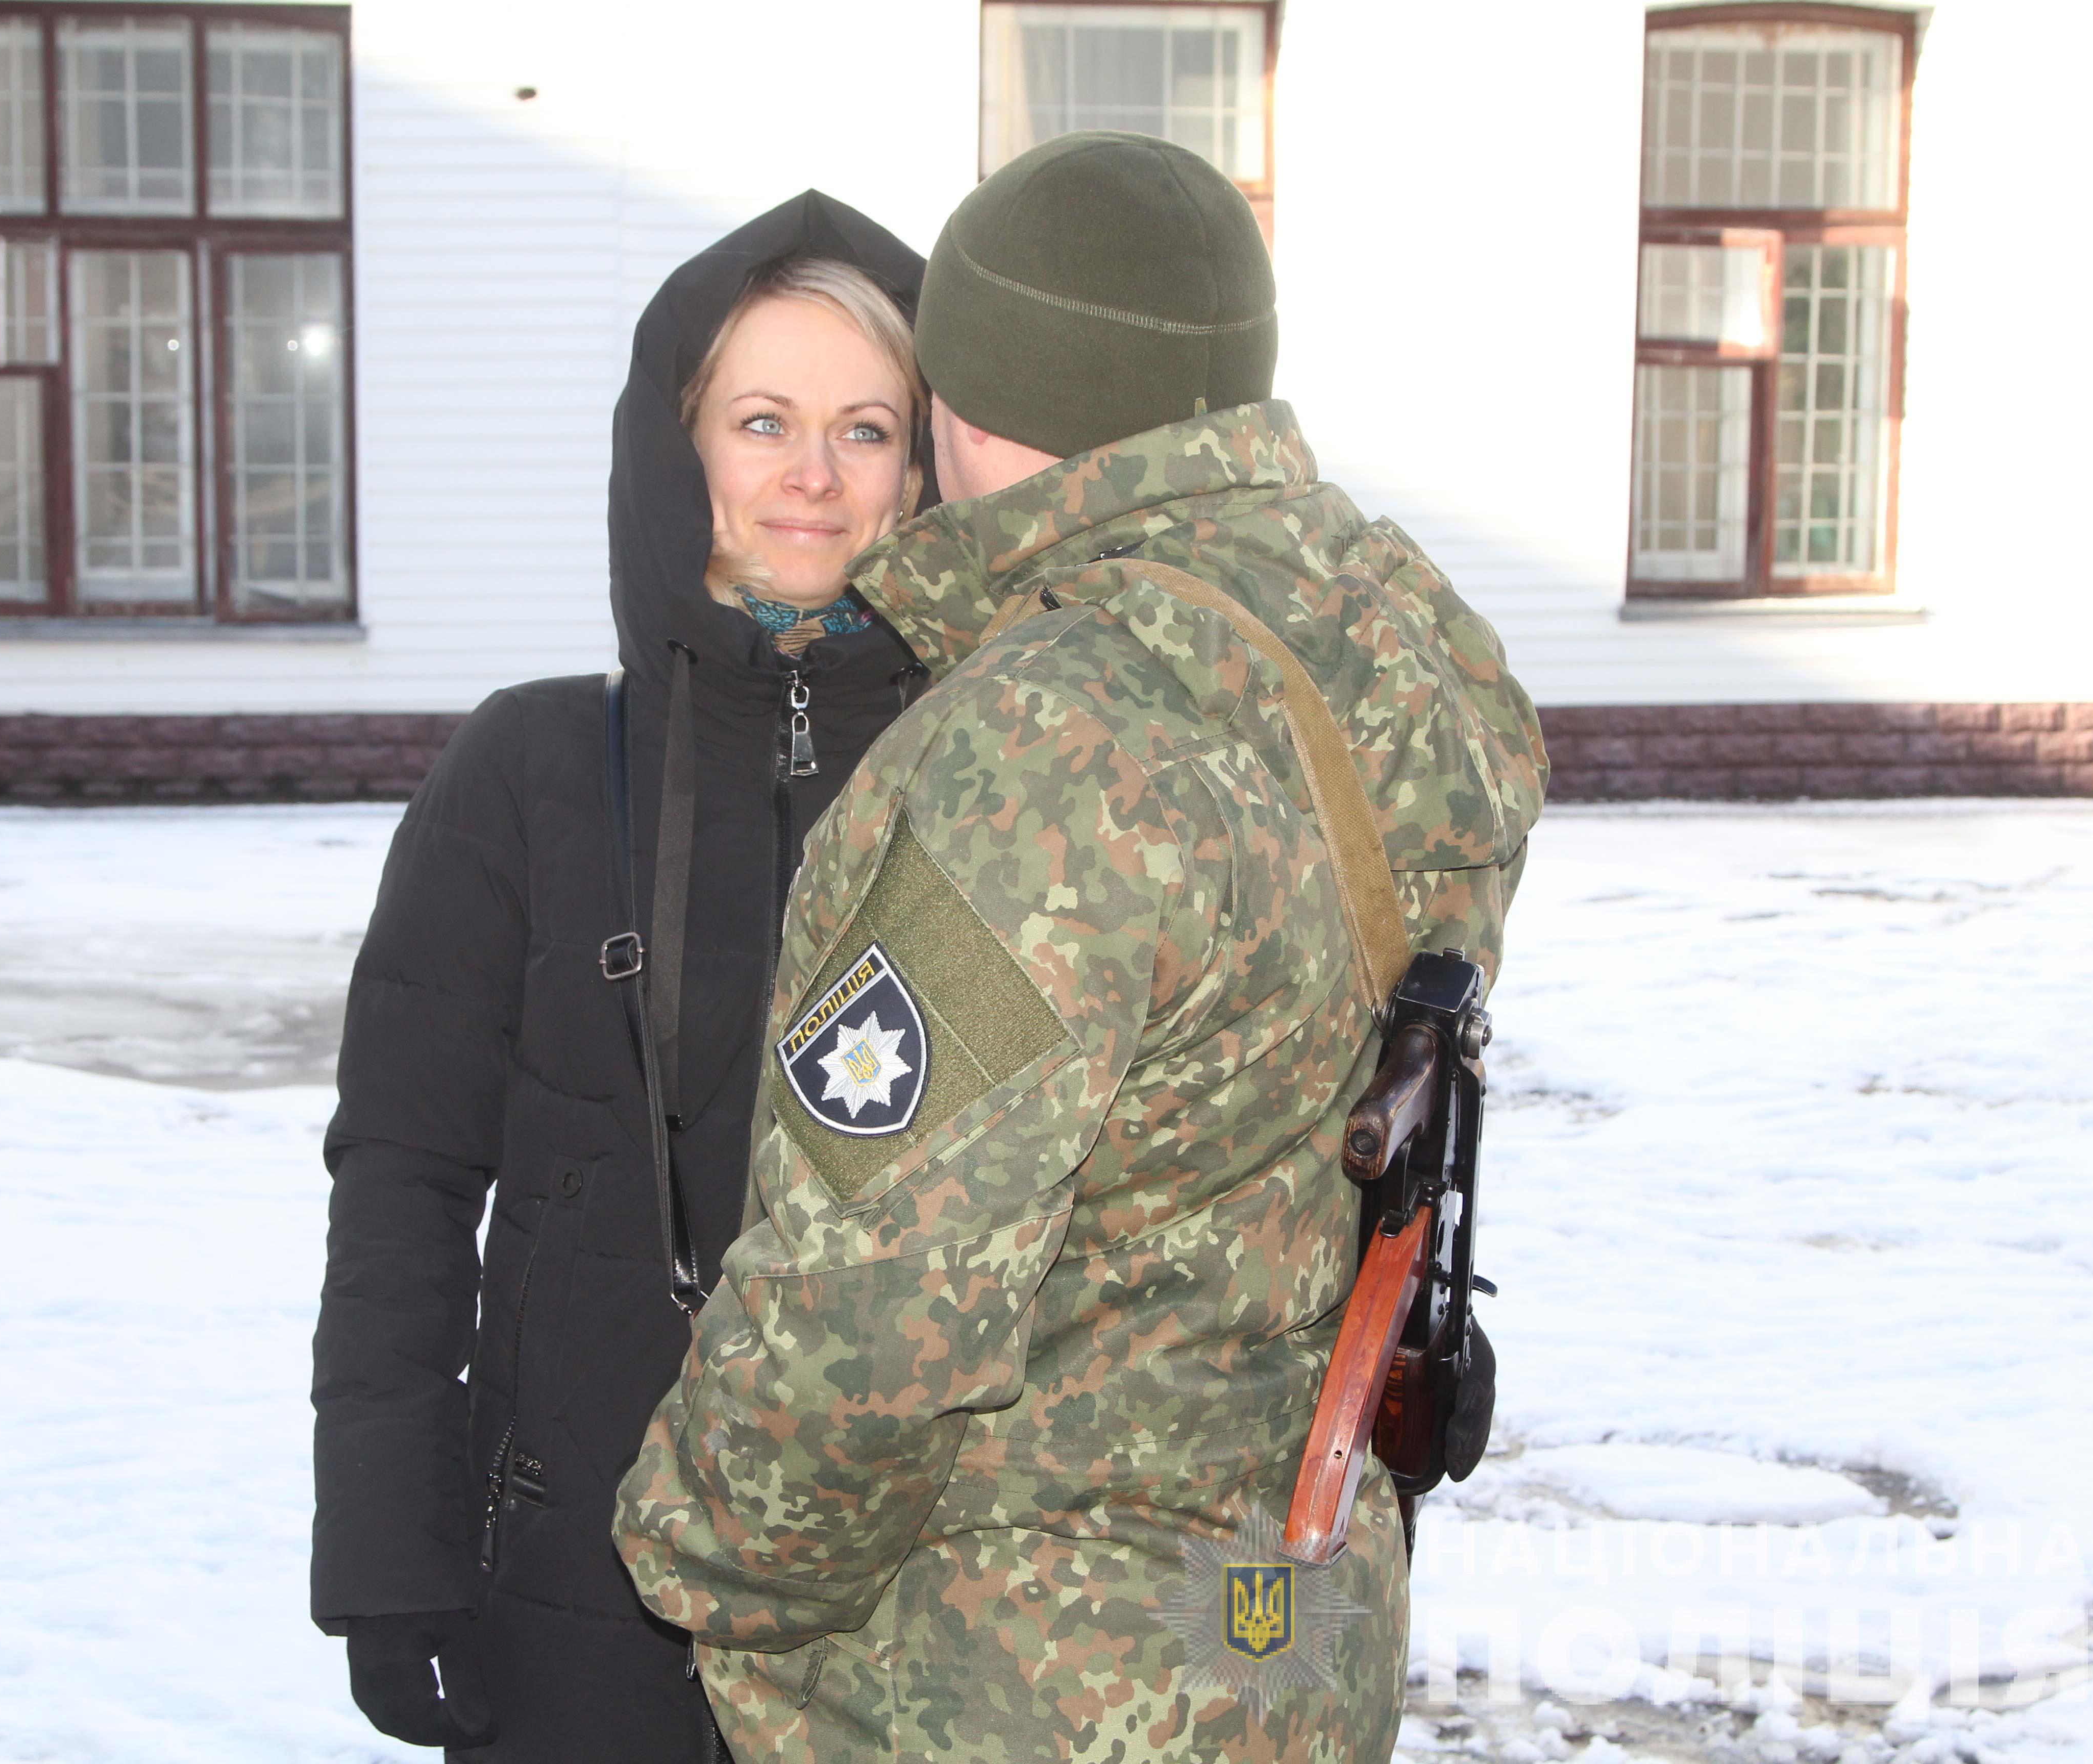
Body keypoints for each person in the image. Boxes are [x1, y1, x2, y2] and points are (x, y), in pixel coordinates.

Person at [614, 134, 1548, 1761]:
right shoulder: (1402, 646)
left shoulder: (1051, 744)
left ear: (967, 401)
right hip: (1292, 1626)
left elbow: (874, 1313)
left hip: (1028, 1677)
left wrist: (702, 1558)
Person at [311, 191, 933, 1762]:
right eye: (763, 421)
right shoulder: (529, 772)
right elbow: (402, 1178)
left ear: (923, 471)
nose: (812, 473)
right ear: (677, 447)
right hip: (577, 1577)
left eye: (864, 430)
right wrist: (388, 1552)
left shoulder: (1001, 779)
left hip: (918, 1600)